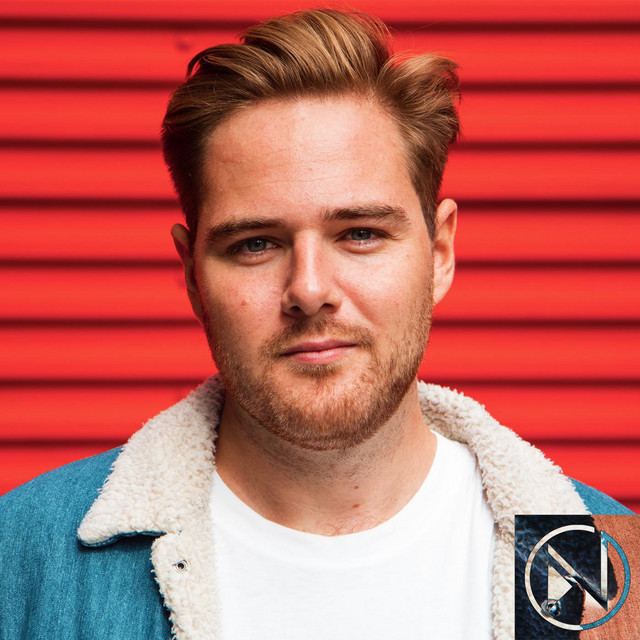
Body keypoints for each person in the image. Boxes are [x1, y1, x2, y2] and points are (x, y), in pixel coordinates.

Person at [0, 9, 632, 640]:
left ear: (439, 253)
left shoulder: (603, 571)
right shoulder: (21, 556)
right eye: (255, 244)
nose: (308, 289)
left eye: (360, 234)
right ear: (192, 275)